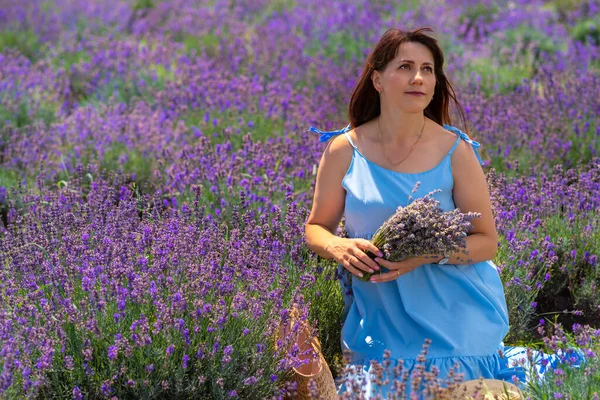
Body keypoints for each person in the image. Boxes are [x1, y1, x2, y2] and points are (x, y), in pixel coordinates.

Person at [303, 28, 579, 398]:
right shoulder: (344, 149)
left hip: (455, 317)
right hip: (380, 320)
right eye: (405, 66)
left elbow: (486, 242)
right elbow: (317, 227)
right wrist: (339, 247)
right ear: (377, 79)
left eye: (428, 69)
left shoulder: (456, 151)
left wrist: (425, 256)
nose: (419, 78)